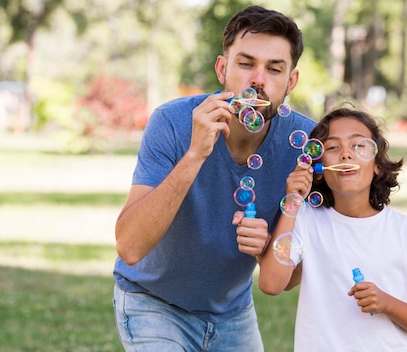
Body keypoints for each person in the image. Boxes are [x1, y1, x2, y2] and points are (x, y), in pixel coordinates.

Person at [112, 5, 316, 351]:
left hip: (232, 312)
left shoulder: (306, 144)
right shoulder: (173, 123)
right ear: (223, 68)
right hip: (153, 302)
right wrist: (194, 154)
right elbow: (130, 247)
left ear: (291, 81)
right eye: (246, 63)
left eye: (274, 68)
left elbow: (296, 274)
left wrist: (268, 248)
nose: (258, 79)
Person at [258, 104, 407, 351]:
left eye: (359, 146)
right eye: (332, 147)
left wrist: (387, 303)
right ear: (319, 169)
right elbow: (270, 284)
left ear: (377, 164)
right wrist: (292, 200)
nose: (345, 154)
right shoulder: (306, 219)